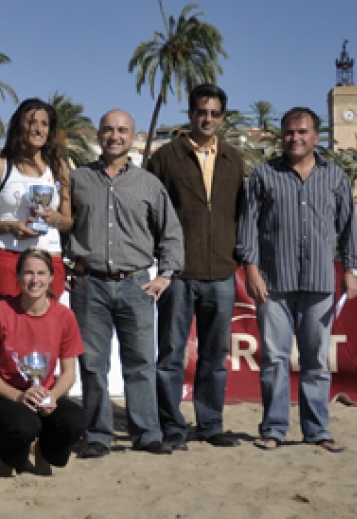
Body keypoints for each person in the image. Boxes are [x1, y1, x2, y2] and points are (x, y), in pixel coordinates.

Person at [238, 107, 357, 453]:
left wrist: (352, 270)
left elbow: (348, 228)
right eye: (289, 132)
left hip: (319, 283)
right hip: (273, 284)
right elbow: (248, 226)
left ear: (316, 136)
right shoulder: (264, 175)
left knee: (316, 361)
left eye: (302, 132)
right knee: (274, 360)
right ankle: (274, 429)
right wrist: (250, 268)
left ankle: (316, 430)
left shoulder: (335, 177)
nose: (295, 138)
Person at [68, 109, 184, 458]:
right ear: (99, 135)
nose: (114, 136)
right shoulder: (77, 180)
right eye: (108, 130)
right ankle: (98, 435)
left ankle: (146, 433)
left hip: (136, 284)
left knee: (140, 364)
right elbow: (61, 225)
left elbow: (171, 234)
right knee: (93, 365)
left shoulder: (149, 184)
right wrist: (64, 264)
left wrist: (166, 274)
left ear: (132, 137)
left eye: (122, 130)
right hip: (90, 285)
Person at [146, 84, 245, 449]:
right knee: (170, 355)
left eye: (214, 113)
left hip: (221, 273)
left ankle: (210, 425)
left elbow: (240, 214)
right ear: (190, 114)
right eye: (201, 111)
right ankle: (172, 425)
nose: (207, 118)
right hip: (177, 274)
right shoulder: (165, 158)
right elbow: (151, 213)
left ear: (222, 117)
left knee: (215, 358)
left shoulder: (234, 160)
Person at [0, 248, 86, 475]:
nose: (35, 280)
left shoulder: (64, 316)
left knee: (75, 420)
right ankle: (7, 457)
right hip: (7, 394)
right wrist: (18, 396)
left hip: (45, 392)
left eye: (41, 273)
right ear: (18, 277)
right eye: (28, 273)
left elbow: (69, 372)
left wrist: (51, 397)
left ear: (51, 277)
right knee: (24, 424)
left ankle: (43, 451)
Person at [0, 99, 72, 304]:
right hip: (8, 259)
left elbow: (68, 223)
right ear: (19, 125)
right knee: (6, 331)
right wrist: (9, 227)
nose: (38, 129)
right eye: (31, 122)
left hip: (49, 260)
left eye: (44, 124)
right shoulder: (0, 165)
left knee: (44, 334)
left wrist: (55, 218)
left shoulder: (58, 167)